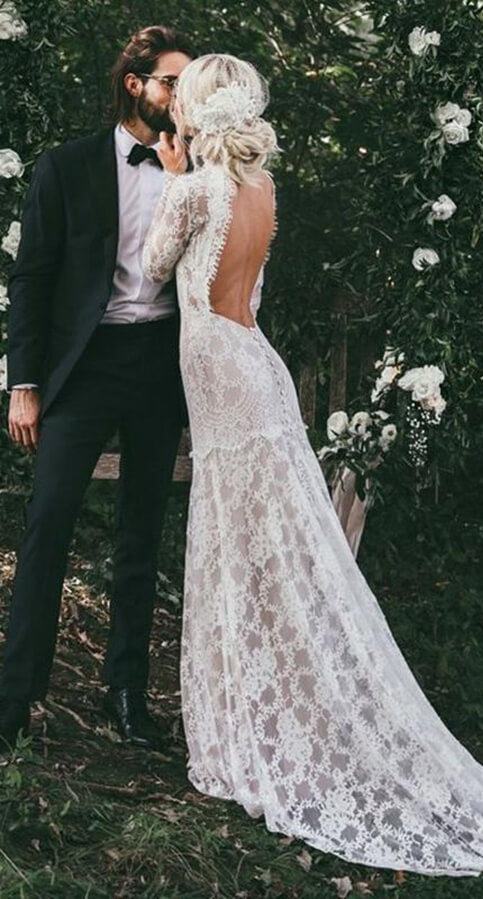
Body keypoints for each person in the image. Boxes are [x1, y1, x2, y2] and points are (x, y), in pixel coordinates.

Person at [142, 53, 483, 877]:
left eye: (183, 99)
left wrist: (173, 173)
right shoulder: (261, 189)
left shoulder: (194, 190)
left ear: (199, 113)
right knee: (282, 554)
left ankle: (255, 730)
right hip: (257, 368)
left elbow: (149, 267)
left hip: (223, 380)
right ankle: (273, 711)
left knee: (244, 554)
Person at [0, 25, 196, 750]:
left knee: (142, 532)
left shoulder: (197, 168)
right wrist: (24, 382)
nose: (181, 94)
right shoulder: (67, 166)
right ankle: (16, 699)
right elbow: (31, 279)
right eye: (172, 81)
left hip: (160, 362)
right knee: (48, 519)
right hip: (83, 365)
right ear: (135, 84)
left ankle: (126, 697)